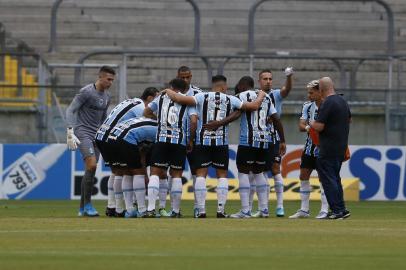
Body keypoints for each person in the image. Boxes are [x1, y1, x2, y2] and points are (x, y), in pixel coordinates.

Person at [165, 75, 266, 218]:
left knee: (201, 175)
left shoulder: (201, 97)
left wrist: (167, 91)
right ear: (224, 87)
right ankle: (220, 210)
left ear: (212, 85)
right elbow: (254, 106)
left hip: (202, 142)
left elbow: (180, 99)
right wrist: (261, 94)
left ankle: (201, 210)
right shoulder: (231, 99)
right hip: (221, 143)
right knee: (222, 176)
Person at [95, 87, 159, 217]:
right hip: (115, 137)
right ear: (150, 99)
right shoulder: (141, 109)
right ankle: (138, 209)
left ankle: (114, 207)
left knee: (118, 171)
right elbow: (145, 122)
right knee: (134, 171)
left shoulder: (132, 102)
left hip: (103, 135)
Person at [230, 78, 286, 218]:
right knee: (259, 173)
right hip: (264, 140)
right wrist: (282, 140)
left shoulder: (241, 96)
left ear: (242, 85)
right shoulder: (266, 97)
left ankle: (245, 210)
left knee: (243, 173)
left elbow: (236, 114)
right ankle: (264, 209)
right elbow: (276, 119)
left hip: (247, 140)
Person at [66, 66, 115, 217]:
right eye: (108, 79)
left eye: (113, 80)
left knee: (91, 169)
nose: (111, 82)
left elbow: (102, 118)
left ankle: (83, 208)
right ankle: (87, 205)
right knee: (92, 164)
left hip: (96, 135)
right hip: (83, 132)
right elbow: (70, 110)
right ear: (100, 77)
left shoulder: (107, 97)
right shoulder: (86, 92)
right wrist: (69, 131)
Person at [143, 78, 195, 218]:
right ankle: (176, 211)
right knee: (176, 175)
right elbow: (194, 120)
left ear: (171, 86)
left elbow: (146, 112)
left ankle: (150, 209)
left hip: (161, 140)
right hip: (179, 141)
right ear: (184, 89)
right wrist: (190, 139)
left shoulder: (160, 98)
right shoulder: (188, 99)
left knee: (155, 173)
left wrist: (158, 120)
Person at [253, 67, 293, 217]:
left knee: (275, 169)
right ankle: (263, 208)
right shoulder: (255, 95)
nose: (268, 81)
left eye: (270, 79)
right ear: (259, 81)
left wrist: (289, 76)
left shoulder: (276, 95)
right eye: (265, 79)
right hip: (258, 138)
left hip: (274, 138)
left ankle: (280, 206)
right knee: (260, 172)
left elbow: (287, 90)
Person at [310, 77, 351, 220]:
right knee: (335, 179)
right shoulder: (343, 102)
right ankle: (342, 208)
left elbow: (319, 126)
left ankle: (337, 210)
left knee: (328, 180)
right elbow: (349, 120)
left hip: (328, 147)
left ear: (321, 90)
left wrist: (311, 124)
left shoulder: (327, 103)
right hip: (340, 146)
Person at [289, 80, 329, 219]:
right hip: (309, 147)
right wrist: (310, 129)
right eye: (308, 92)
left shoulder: (328, 106)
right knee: (303, 175)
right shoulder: (307, 106)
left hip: (324, 148)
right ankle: (304, 210)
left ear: (320, 92)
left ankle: (324, 209)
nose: (309, 95)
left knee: (323, 178)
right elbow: (301, 125)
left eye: (311, 93)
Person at [102, 117, 158, 218]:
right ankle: (142, 210)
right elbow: (143, 153)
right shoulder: (160, 131)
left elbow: (142, 151)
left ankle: (129, 210)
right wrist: (145, 174)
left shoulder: (146, 120)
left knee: (126, 171)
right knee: (138, 173)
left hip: (110, 138)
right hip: (125, 139)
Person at [176, 65, 202, 217]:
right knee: (174, 174)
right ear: (177, 76)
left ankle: (198, 207)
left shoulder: (199, 93)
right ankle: (175, 209)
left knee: (197, 173)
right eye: (182, 77)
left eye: (188, 77)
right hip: (175, 140)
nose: (185, 80)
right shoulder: (171, 93)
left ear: (191, 77)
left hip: (195, 140)